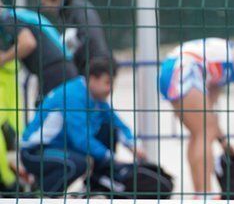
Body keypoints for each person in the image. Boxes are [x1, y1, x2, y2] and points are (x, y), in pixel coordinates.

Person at [158, 38, 234, 196]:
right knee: (203, 133)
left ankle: (200, 193)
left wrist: (223, 142)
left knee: (199, 133)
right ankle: (204, 193)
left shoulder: (220, 68)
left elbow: (210, 114)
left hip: (171, 68)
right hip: (184, 68)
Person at [20, 57, 144, 195]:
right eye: (107, 83)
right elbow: (81, 139)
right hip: (35, 151)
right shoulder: (73, 96)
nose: (110, 89)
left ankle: (96, 187)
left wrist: (133, 145)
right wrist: (111, 158)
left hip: (60, 147)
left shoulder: (95, 97)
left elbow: (116, 123)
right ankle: (40, 199)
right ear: (92, 79)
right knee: (76, 164)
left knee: (108, 131)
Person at [37, 0, 113, 76]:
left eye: (45, 3)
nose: (45, 7)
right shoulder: (70, 10)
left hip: (94, 69)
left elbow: (89, 38)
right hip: (90, 66)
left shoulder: (77, 10)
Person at [0, 3, 77, 99]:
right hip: (63, 67)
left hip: (54, 71)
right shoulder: (19, 15)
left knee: (54, 111)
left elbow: (28, 43)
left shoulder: (7, 18)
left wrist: (3, 58)